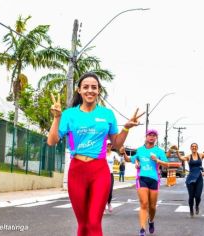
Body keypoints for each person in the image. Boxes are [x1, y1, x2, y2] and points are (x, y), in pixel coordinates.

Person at [47, 72, 144, 236]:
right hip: (76, 172)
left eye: (94, 87)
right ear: (79, 90)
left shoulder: (107, 114)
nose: (90, 90)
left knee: (93, 223)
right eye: (85, 87)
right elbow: (52, 141)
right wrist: (57, 118)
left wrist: (126, 128)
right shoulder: (69, 114)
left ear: (98, 90)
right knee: (83, 225)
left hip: (99, 172)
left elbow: (116, 144)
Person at [121, 129, 169, 236]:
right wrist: (123, 153)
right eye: (150, 135)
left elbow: (167, 164)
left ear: (156, 138)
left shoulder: (159, 151)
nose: (152, 137)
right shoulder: (140, 150)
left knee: (152, 206)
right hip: (142, 178)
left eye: (154, 135)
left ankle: (151, 221)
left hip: (154, 180)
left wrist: (157, 160)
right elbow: (129, 159)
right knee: (144, 203)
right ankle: (142, 229)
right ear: (146, 137)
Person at [172, 142, 204, 217]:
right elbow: (181, 158)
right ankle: (191, 209)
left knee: (198, 196)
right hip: (190, 178)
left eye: (195, 146)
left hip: (199, 178)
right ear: (191, 148)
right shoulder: (189, 156)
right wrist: (177, 151)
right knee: (191, 196)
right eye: (192, 146)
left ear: (197, 148)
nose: (194, 147)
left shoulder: (201, 155)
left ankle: (197, 206)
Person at [105, 140, 121, 213]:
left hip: (110, 174)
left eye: (110, 145)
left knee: (110, 190)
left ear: (111, 146)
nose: (108, 146)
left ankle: (109, 203)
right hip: (102, 174)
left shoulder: (113, 154)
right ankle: (102, 206)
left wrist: (122, 154)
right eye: (107, 144)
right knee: (102, 191)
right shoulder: (102, 153)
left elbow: (120, 159)